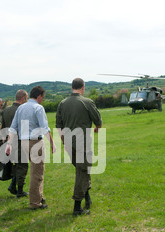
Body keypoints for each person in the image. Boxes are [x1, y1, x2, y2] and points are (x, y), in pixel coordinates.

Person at [56, 78, 102, 215]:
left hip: (70, 143)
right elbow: (98, 120)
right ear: (82, 87)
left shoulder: (62, 103)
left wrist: (64, 141)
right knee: (82, 172)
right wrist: (97, 128)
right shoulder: (87, 102)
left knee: (82, 169)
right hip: (83, 143)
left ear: (72, 87)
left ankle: (87, 198)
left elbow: (59, 125)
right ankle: (77, 206)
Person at [6, 86, 56, 209]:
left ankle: (39, 196)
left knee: (35, 171)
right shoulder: (38, 108)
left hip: (23, 143)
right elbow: (45, 128)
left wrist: (8, 144)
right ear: (38, 96)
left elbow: (13, 127)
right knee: (37, 173)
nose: (43, 100)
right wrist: (52, 143)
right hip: (35, 142)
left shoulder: (21, 108)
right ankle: (35, 203)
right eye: (43, 97)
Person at [1, 90, 29, 197]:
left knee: (16, 165)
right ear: (23, 98)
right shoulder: (22, 110)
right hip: (20, 141)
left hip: (9, 141)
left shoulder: (6, 110)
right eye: (26, 98)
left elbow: (3, 126)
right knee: (22, 165)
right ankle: (20, 190)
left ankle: (13, 185)